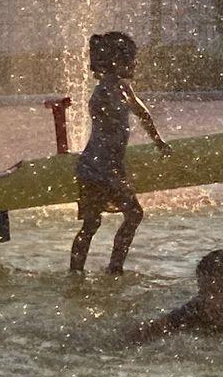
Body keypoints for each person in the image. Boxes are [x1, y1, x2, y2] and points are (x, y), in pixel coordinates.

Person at [70, 31, 172, 275]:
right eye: (131, 60)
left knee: (102, 221)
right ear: (117, 62)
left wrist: (159, 142)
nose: (135, 64)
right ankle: (99, 270)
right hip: (98, 168)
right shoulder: (104, 92)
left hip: (107, 167)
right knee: (116, 218)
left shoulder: (123, 88)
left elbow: (142, 113)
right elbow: (112, 124)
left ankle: (105, 268)